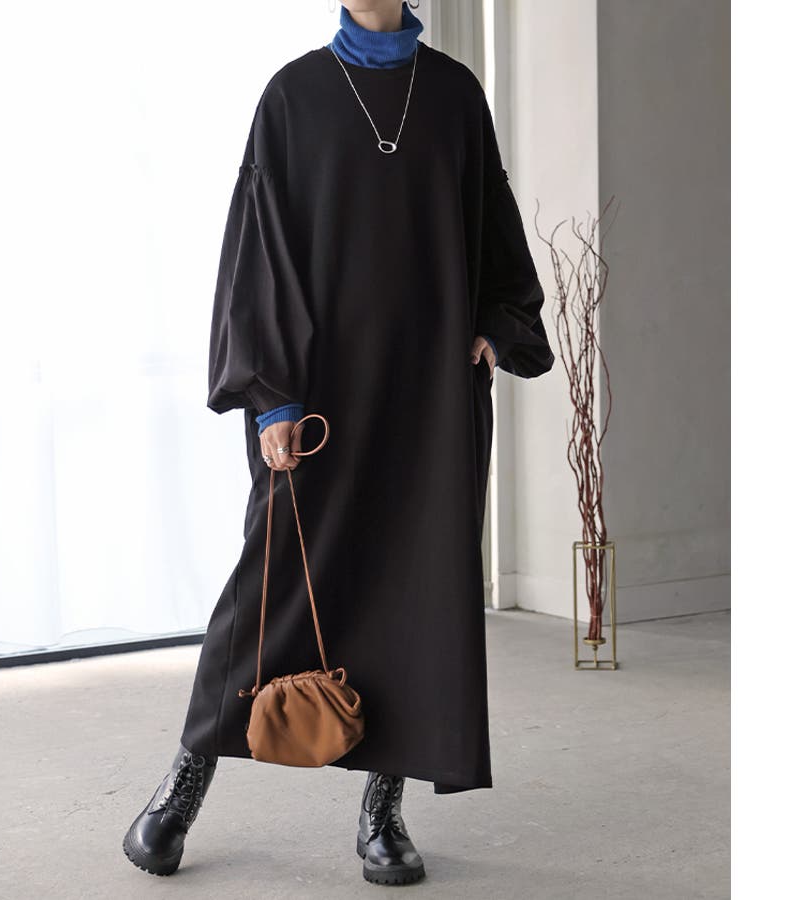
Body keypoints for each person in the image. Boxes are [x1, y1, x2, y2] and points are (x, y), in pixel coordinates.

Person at [122, 0, 555, 887]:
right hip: (319, 404)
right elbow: (259, 252)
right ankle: (182, 787)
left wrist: (494, 327)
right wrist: (271, 397)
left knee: (409, 600)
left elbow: (493, 226)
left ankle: (381, 814)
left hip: (429, 401)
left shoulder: (454, 95)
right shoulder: (294, 96)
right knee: (267, 592)